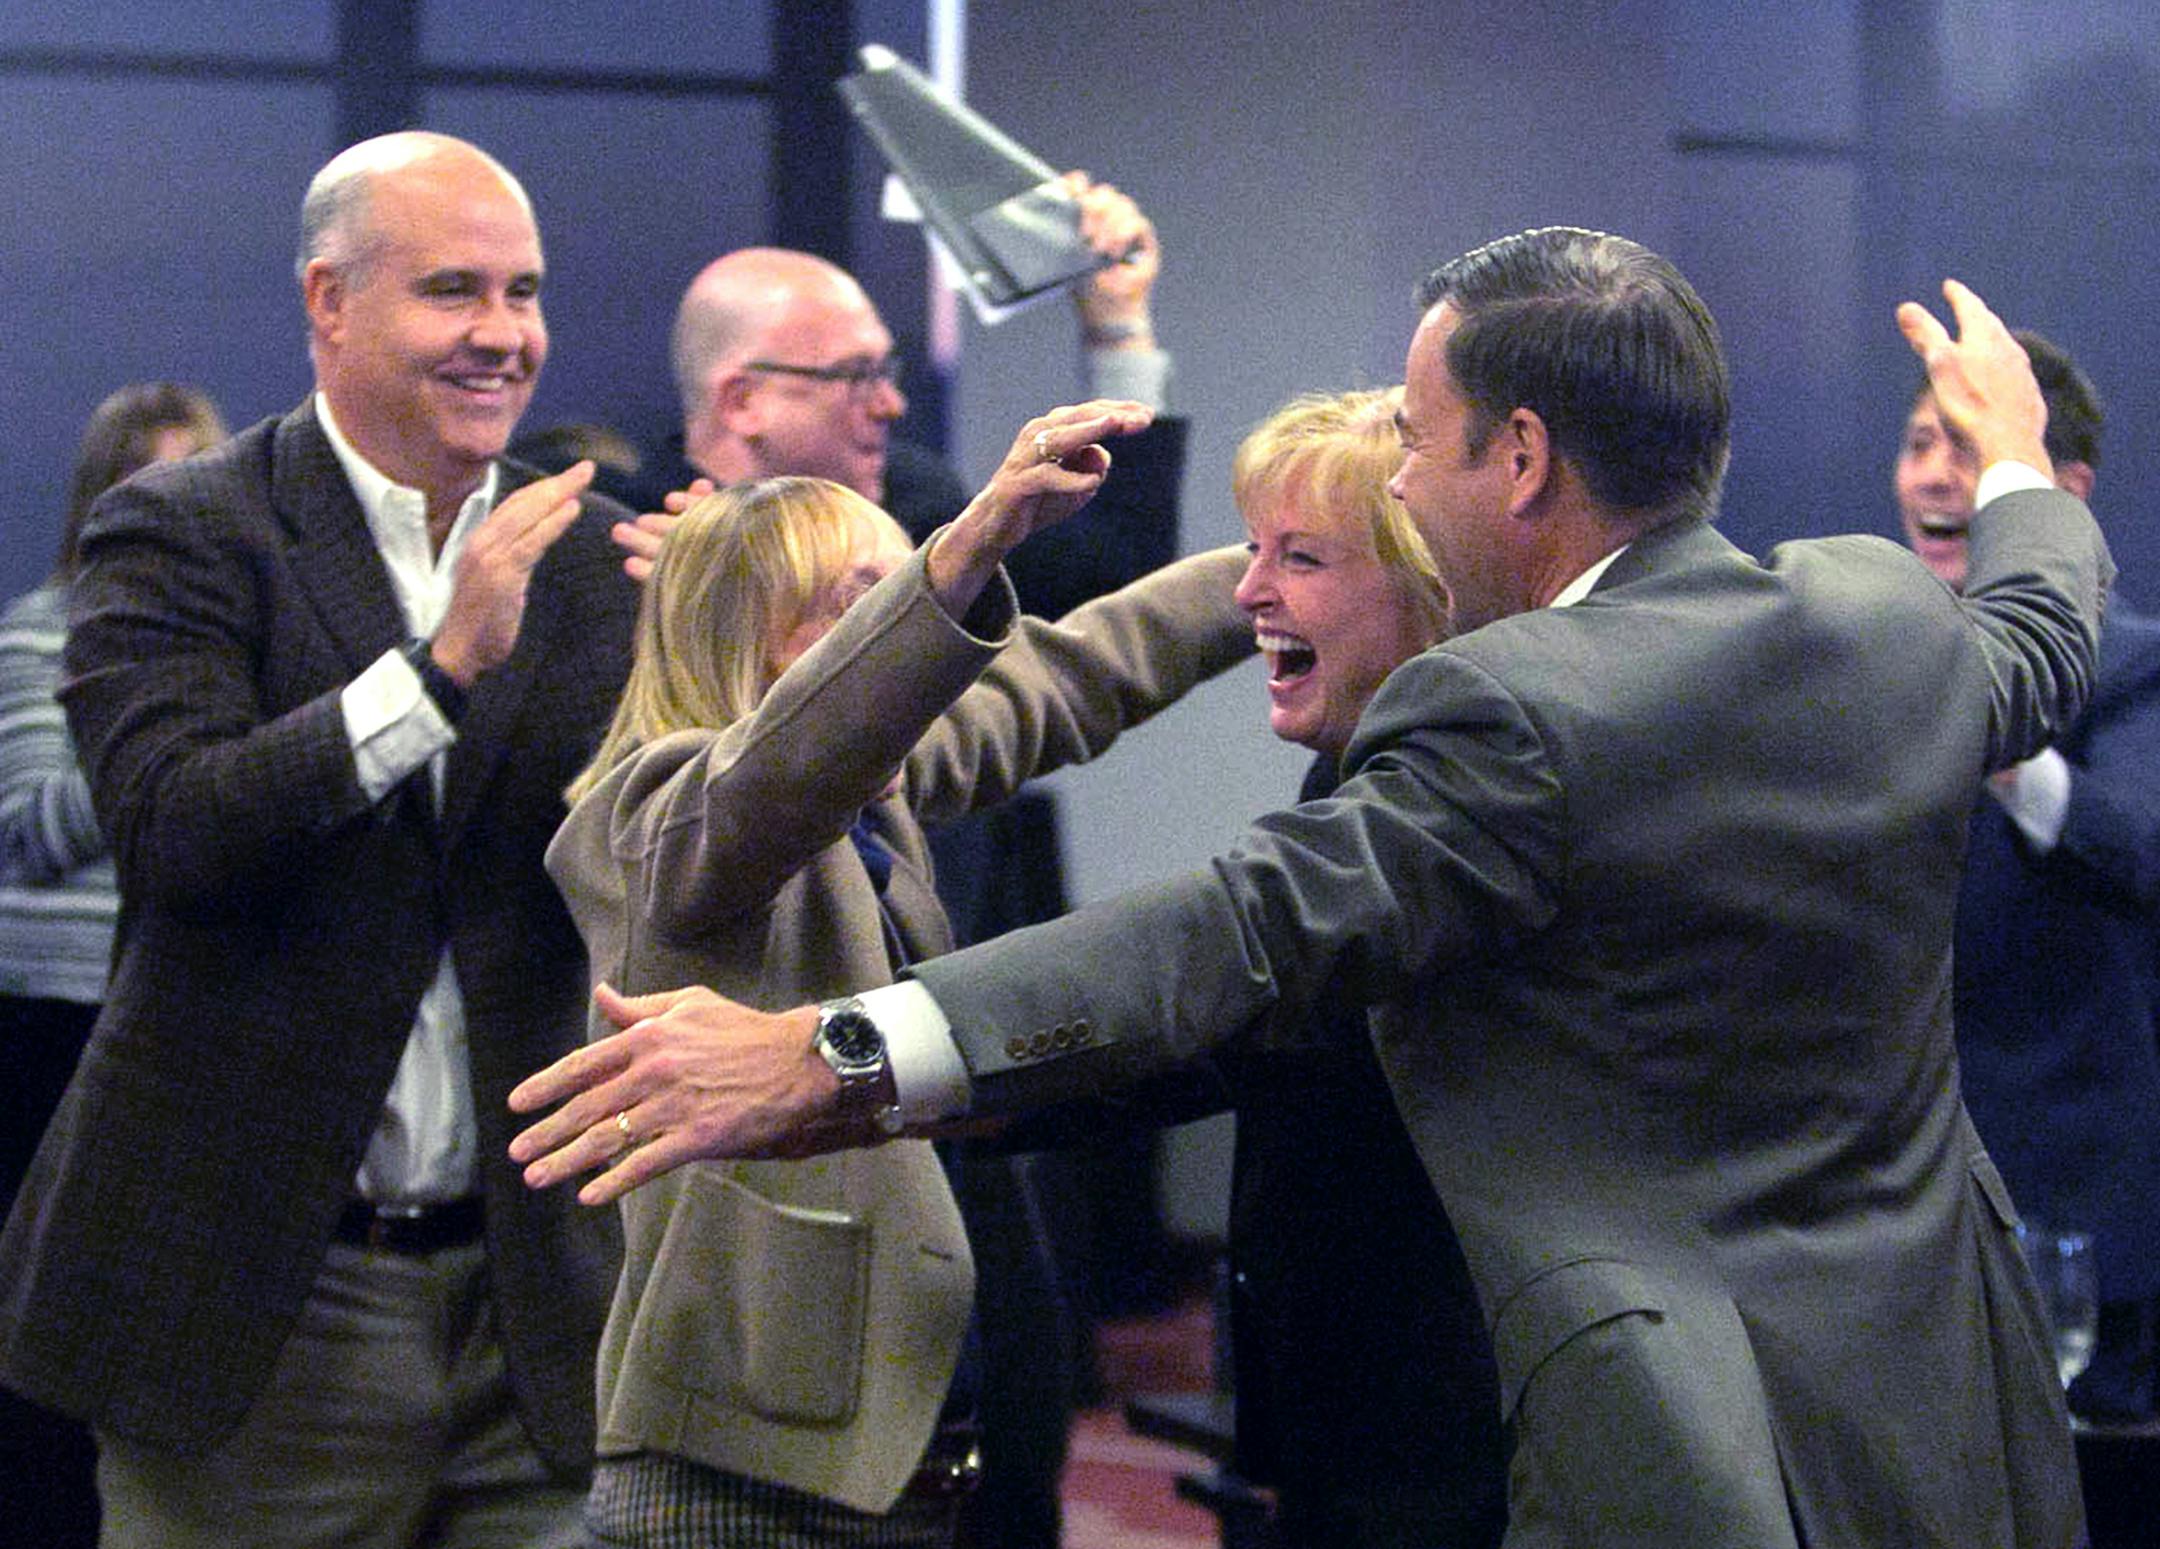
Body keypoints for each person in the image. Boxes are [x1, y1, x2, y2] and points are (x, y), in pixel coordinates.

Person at [510, 228, 2106, 1549]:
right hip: (1937, 1408)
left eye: (1412, 442)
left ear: (1522, 457)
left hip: (1661, 1453)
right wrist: (2020, 460)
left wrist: (834, 1053)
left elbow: (1242, 930)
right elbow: (2042, 634)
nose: (1398, 485)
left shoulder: (1513, 707)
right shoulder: (1880, 617)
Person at [0, 131, 639, 1547]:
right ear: (328, 303)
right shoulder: (179, 529)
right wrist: (436, 673)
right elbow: (170, 829)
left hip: (535, 1297)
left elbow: (663, 858)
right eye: (453, 290)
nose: (502, 335)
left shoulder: (595, 557)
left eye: (524, 293)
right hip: (260, 1303)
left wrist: (786, 651)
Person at [544, 408, 1250, 1546]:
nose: (926, 620)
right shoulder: (648, 814)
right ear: (764, 641)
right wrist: (967, 544)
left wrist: (1278, 562)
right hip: (741, 1479)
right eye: (868, 602)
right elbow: (776, 779)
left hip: (897, 1459)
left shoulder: (881, 792)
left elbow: (1072, 675)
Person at [618, 176, 1191, 1546]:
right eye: (858, 376)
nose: (892, 406)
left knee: (1010, 1446)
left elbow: (1093, 622)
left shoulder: (907, 503)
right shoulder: (628, 559)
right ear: (744, 398)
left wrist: (1287, 553)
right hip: (736, 1140)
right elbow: (723, 811)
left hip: (949, 1078)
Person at [1002, 387, 1505, 1547]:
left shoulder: (1444, 797)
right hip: (1345, 1427)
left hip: (1441, 1442)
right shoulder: (1353, 769)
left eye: (1302, 558)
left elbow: (1233, 1000)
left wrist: (926, 1075)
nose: (1248, 595)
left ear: (1427, 585)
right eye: (1255, 549)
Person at [1894, 329, 2160, 1420]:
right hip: (1892, 1211)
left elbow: (2140, 848)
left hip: (2072, 1220)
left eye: (1969, 446)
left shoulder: (2134, 661)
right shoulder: (1858, 651)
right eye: (1919, 443)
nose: (1937, 475)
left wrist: (2004, 733)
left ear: (2065, 493)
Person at [0, 380, 227, 1548]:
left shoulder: (244, 641)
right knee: (41, 1330)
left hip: (179, 1018)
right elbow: (35, 829)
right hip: (49, 1026)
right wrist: (165, 735)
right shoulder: (40, 631)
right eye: (147, 493)